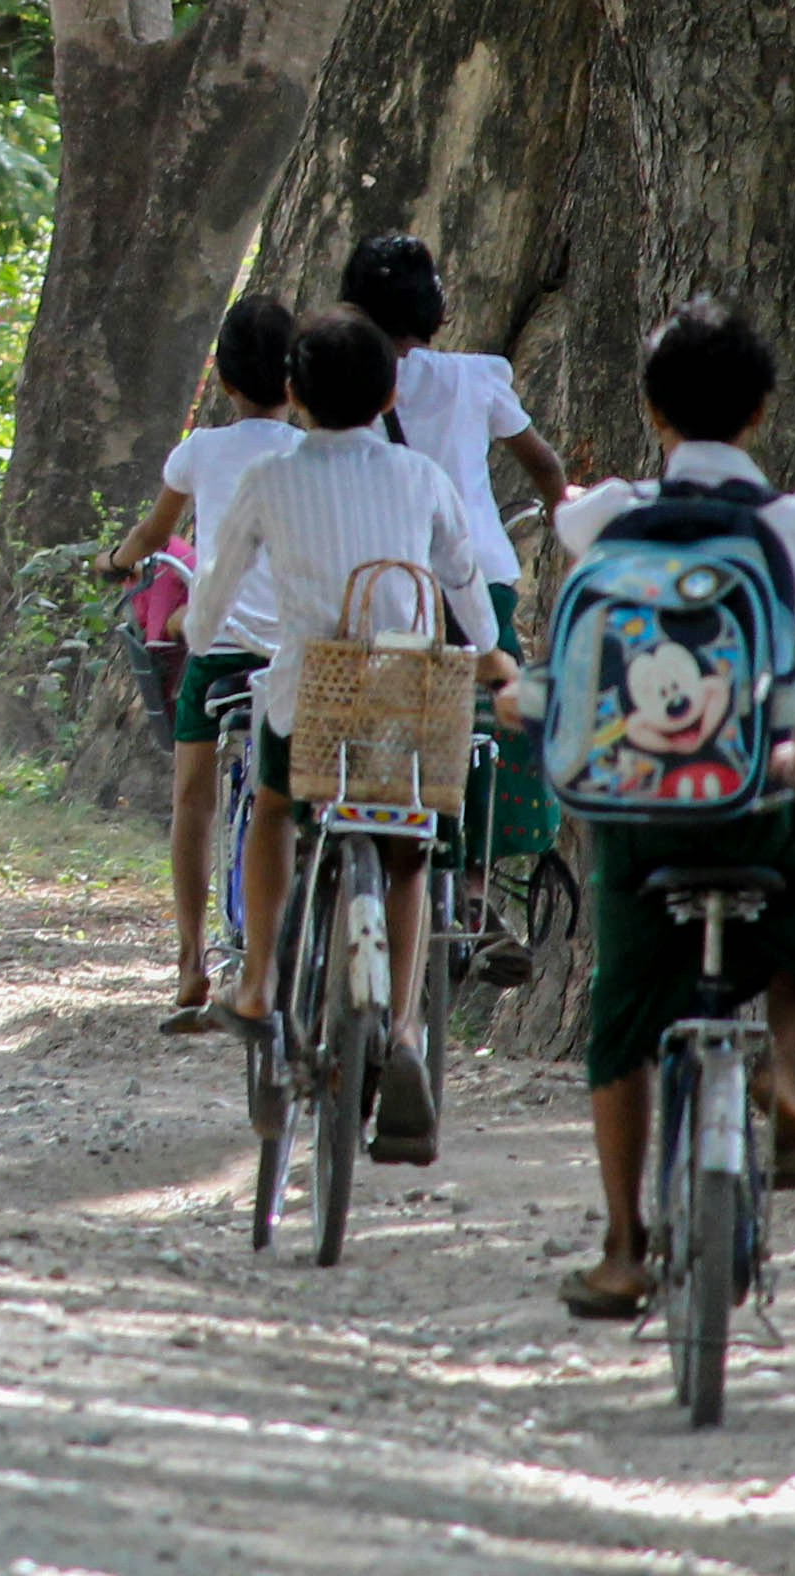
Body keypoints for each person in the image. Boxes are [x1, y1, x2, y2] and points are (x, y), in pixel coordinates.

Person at [541, 300, 795, 1321]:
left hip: (638, 818)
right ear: (765, 412)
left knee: (621, 1013)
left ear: (651, 411)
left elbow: (570, 549)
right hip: (755, 806)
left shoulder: (602, 519)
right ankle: (779, 1062)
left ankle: (625, 1247)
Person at [191, 307, 497, 1164]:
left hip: (308, 698)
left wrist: (194, 627)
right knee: (405, 856)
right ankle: (403, 1031)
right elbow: (464, 578)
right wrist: (494, 651)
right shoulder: (418, 477)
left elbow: (214, 586)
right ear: (391, 392)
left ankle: (256, 981)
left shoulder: (271, 479)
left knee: (278, 809)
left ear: (293, 393)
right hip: (403, 702)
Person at [344, 231, 569, 974]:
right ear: (434, 311)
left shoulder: (343, 375)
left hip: (380, 581)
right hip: (477, 573)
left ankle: (369, 863)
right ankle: (472, 894)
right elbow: (540, 460)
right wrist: (565, 509)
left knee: (387, 719)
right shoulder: (474, 380)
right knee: (483, 726)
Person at [100, 293, 301, 1031]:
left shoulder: (202, 451)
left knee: (193, 797)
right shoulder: (310, 451)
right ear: (297, 378)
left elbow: (154, 535)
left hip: (222, 658)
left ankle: (190, 961)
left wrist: (115, 561)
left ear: (223, 380)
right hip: (297, 657)